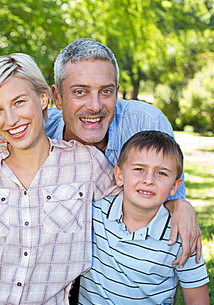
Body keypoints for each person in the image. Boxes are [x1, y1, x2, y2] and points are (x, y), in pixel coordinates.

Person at [0, 53, 119, 305]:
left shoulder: (86, 164)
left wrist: (177, 208)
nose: (11, 119)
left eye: (19, 102)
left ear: (42, 98)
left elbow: (133, 212)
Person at [45, 38, 201, 266]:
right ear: (57, 97)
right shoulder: (42, 134)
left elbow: (172, 217)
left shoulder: (147, 122)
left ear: (117, 92)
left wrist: (180, 206)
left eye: (106, 92)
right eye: (80, 92)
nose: (95, 106)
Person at [75, 130, 209, 305]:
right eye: (139, 169)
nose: (149, 180)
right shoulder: (93, 212)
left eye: (161, 173)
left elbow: (197, 303)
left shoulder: (181, 232)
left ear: (175, 186)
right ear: (119, 175)